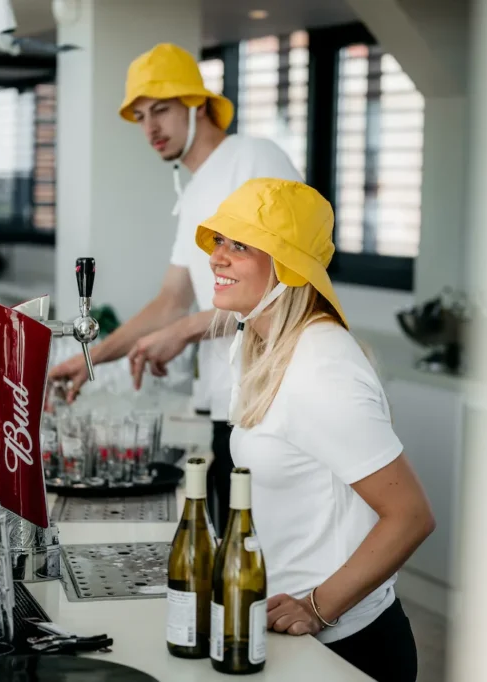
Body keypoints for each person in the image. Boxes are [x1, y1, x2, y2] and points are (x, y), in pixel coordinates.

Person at [48, 43, 303, 534]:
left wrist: (185, 332)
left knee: (268, 567)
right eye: (141, 116)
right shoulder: (193, 193)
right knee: (235, 561)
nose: (150, 128)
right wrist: (89, 359)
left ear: (199, 104)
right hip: (227, 406)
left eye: (161, 109)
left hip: (274, 401)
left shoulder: (252, 158)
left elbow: (283, 289)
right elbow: (171, 301)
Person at [194, 178, 436, 681]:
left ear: (287, 267)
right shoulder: (263, 349)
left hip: (345, 649)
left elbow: (410, 516)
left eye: (240, 245)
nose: (218, 256)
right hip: (286, 637)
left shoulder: (321, 366)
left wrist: (318, 608)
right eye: (220, 240)